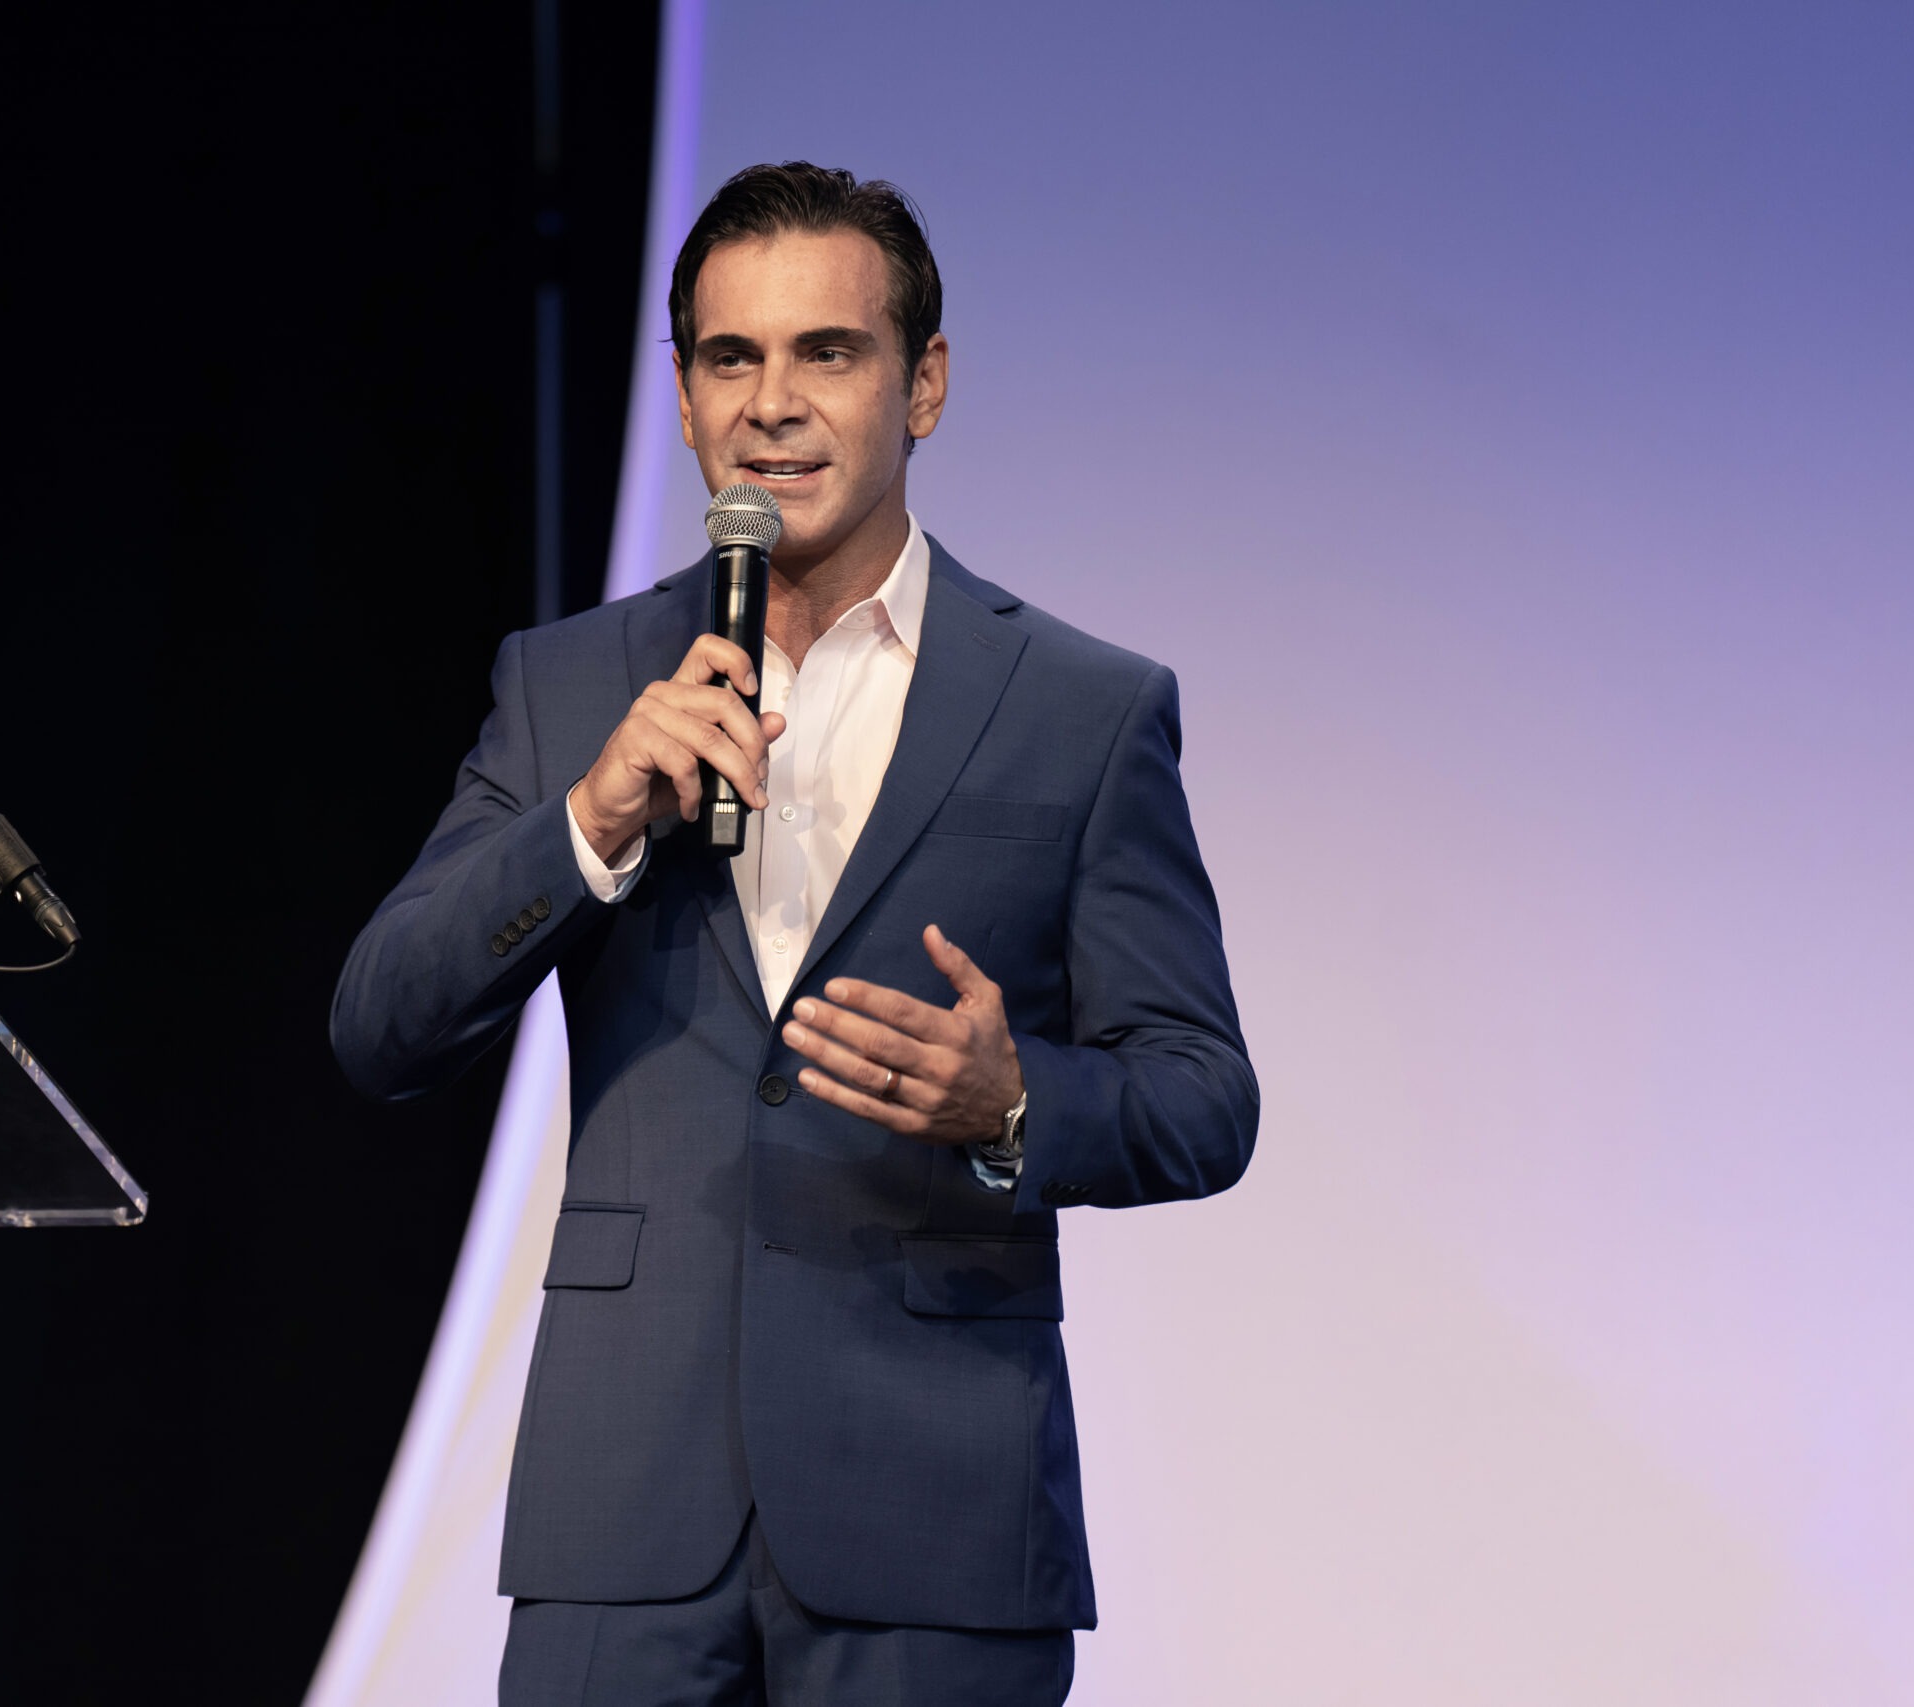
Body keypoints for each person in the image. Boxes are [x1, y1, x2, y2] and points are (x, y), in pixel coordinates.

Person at [333, 162, 1256, 1706]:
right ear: (684, 399)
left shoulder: (1086, 712)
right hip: (622, 1519)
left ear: (925, 385)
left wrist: (1013, 1101)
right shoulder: (570, 686)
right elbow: (381, 1026)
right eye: (729, 358)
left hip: (936, 1522)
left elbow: (1202, 1094)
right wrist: (591, 826)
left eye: (827, 352)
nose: (773, 403)